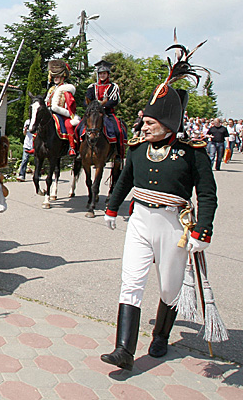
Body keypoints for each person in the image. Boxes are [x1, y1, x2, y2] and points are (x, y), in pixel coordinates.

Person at [101, 47, 217, 371]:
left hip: (174, 227)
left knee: (170, 286)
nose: (144, 126)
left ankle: (162, 335)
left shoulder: (192, 154)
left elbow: (207, 193)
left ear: (167, 124)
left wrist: (202, 230)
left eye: (150, 122)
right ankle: (123, 349)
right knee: (131, 281)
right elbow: (124, 180)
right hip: (139, 221)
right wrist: (112, 208)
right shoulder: (138, 149)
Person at [83, 60, 127, 159]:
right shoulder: (92, 87)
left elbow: (114, 100)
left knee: (118, 130)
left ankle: (119, 155)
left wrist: (102, 106)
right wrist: (91, 106)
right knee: (78, 128)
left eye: (104, 73)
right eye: (100, 74)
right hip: (93, 114)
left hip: (107, 113)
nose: (102, 75)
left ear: (108, 74)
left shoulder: (113, 87)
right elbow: (86, 100)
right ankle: (77, 152)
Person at [44, 60, 79, 155]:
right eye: (54, 76)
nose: (56, 78)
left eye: (58, 76)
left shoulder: (66, 89)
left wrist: (59, 110)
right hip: (50, 112)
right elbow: (46, 101)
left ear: (63, 77)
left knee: (68, 125)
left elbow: (69, 105)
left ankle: (72, 147)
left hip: (63, 114)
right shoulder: (51, 89)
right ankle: (36, 145)